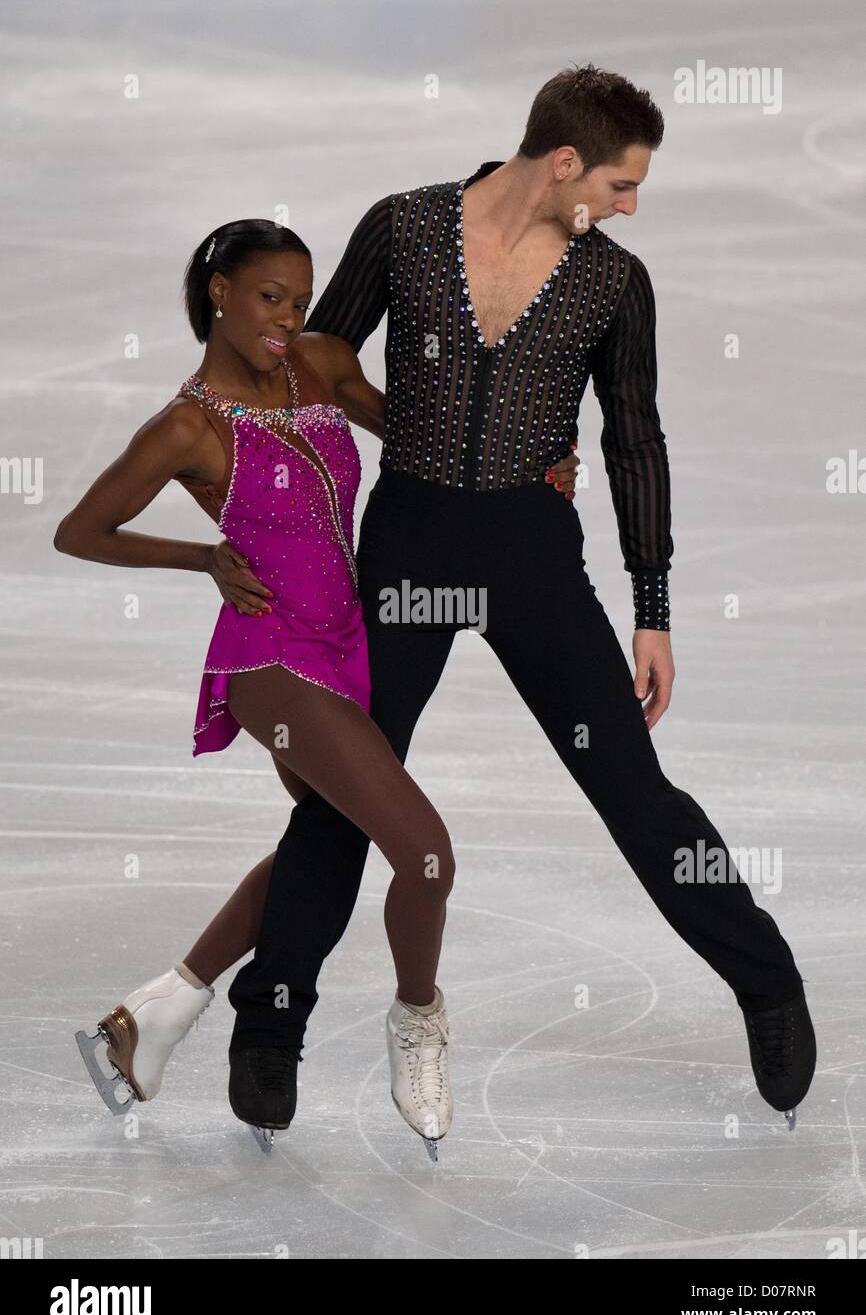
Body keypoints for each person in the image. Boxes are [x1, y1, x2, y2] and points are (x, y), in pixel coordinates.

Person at [220, 63, 816, 1131]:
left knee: (636, 796)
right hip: (406, 546)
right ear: (562, 163)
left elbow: (634, 437)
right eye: (621, 185)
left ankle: (766, 981)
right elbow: (314, 357)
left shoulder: (609, 283)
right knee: (347, 793)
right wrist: (388, 438)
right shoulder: (402, 230)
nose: (629, 209)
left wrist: (652, 604)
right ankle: (267, 1024)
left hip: (530, 559)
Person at [54, 218, 575, 1155]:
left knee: (321, 845)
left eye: (298, 301)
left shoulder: (323, 364)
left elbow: (424, 437)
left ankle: (152, 1015)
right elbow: (81, 531)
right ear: (219, 291)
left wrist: (528, 462)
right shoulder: (187, 426)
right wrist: (205, 556)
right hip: (269, 658)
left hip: (350, 644)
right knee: (424, 855)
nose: (286, 319)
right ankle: (418, 1019)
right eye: (268, 299)